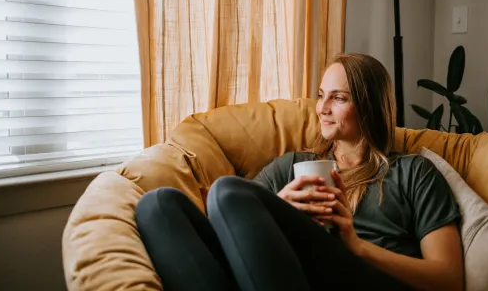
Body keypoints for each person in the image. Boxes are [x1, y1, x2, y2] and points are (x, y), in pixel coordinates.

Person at [135, 53, 464, 291]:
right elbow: (224, 233)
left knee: (227, 191)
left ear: (369, 106)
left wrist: (356, 246)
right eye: (321, 96)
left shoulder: (413, 173)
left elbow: (449, 279)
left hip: (360, 276)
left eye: (338, 98)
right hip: (283, 276)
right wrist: (277, 209)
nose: (322, 108)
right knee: (157, 206)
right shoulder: (291, 166)